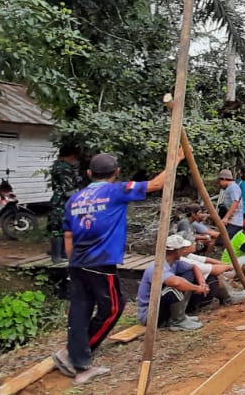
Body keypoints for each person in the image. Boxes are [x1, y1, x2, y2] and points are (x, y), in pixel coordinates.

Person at [52, 152, 177, 383]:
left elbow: (68, 235)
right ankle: (76, 358)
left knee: (80, 311)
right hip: (100, 262)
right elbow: (158, 184)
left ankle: (72, 355)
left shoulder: (75, 199)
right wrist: (176, 159)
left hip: (77, 262)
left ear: (89, 173)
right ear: (116, 172)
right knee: (113, 308)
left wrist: (74, 262)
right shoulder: (116, 190)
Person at [135, 235, 211, 332]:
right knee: (173, 288)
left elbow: (193, 267)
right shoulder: (157, 266)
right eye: (182, 248)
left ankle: (180, 315)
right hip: (150, 315)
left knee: (188, 275)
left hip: (160, 307)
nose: (184, 250)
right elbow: (175, 282)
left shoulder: (175, 263)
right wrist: (196, 288)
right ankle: (178, 321)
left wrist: (202, 284)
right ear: (176, 251)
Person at [46, 145, 85, 264]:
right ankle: (56, 255)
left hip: (65, 201)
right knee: (57, 227)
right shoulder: (63, 168)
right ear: (71, 156)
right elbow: (68, 189)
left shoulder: (63, 166)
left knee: (64, 227)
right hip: (62, 201)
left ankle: (62, 253)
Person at [217, 169, 244, 241]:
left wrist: (226, 217)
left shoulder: (233, 187)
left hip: (235, 222)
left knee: (223, 241)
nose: (219, 184)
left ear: (224, 179)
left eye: (220, 181)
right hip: (232, 221)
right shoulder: (230, 187)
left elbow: (235, 202)